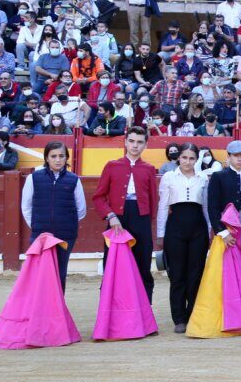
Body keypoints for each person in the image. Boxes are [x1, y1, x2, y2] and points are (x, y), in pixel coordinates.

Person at [92, 126, 159, 302]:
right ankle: (110, 311)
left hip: (141, 218)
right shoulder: (112, 166)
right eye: (132, 141)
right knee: (113, 265)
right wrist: (111, 216)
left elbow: (153, 200)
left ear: (145, 145)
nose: (135, 146)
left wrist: (146, 223)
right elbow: (98, 197)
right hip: (117, 219)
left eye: (139, 142)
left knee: (143, 265)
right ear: (125, 142)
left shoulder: (149, 168)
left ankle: (145, 313)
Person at [156, 143, 210, 333]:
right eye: (184, 157)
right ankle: (179, 318)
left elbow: (205, 208)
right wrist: (160, 235)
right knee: (177, 273)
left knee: (195, 273)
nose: (188, 162)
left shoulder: (203, 178)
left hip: (198, 228)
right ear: (179, 158)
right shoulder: (169, 177)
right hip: (175, 227)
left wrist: (209, 230)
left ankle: (192, 314)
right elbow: (163, 207)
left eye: (192, 158)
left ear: (197, 160)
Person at [20, 141, 84, 288]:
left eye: (61, 156)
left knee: (60, 273)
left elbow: (81, 209)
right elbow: (26, 206)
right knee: (39, 274)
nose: (58, 159)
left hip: (65, 235)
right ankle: (40, 309)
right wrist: (37, 226)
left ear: (66, 158)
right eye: (53, 156)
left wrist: (66, 224)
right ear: (47, 158)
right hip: (41, 234)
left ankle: (57, 309)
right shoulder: (33, 178)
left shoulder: (74, 179)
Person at [207, 140, 241, 256]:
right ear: (229, 156)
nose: (239, 159)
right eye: (236, 156)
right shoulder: (218, 176)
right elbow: (213, 206)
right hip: (225, 222)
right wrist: (222, 231)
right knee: (225, 260)